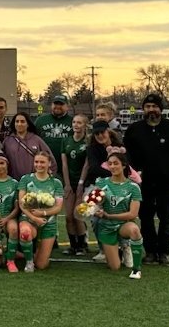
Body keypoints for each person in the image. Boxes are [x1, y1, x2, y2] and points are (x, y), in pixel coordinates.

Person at [124, 93, 169, 265]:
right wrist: (134, 171)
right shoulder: (135, 129)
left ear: (161, 109)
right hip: (142, 182)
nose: (151, 110)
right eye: (148, 107)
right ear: (143, 109)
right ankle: (151, 251)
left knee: (166, 217)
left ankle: (164, 251)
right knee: (145, 218)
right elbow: (127, 153)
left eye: (154, 107)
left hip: (165, 181)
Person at [79, 121, 126, 264]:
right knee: (95, 218)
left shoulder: (120, 147)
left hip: (118, 187)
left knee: (119, 216)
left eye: (102, 132)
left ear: (108, 131)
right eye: (97, 133)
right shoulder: (92, 149)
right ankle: (102, 249)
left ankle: (123, 248)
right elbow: (93, 168)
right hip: (95, 187)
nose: (100, 136)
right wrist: (114, 173)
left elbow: (126, 166)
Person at [94, 152, 147, 279]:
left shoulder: (133, 187)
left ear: (123, 165)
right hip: (106, 227)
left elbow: (133, 214)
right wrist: (95, 209)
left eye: (116, 163)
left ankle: (136, 269)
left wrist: (109, 216)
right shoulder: (101, 183)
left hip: (123, 224)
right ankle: (119, 248)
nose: (112, 166)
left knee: (134, 230)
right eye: (110, 164)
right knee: (115, 267)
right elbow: (91, 203)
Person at [17, 151, 64, 272]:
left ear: (49, 163)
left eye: (42, 162)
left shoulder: (56, 183)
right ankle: (29, 262)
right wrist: (34, 218)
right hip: (29, 219)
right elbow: (22, 204)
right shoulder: (26, 179)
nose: (39, 165)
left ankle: (33, 255)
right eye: (36, 162)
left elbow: (58, 207)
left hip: (48, 223)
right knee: (25, 233)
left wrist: (43, 214)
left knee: (42, 265)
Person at [60, 114, 90, 256]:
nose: (76, 125)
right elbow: (64, 164)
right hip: (69, 182)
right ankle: (73, 245)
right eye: (74, 122)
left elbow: (86, 165)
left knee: (77, 214)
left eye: (79, 122)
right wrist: (67, 184)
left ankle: (82, 245)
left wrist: (80, 184)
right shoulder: (66, 141)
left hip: (82, 183)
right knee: (68, 216)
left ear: (85, 125)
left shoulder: (88, 141)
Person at [2, 112, 52, 180]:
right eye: (17, 121)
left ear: (28, 124)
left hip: (34, 182)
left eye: (22, 121)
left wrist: (48, 178)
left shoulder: (36, 140)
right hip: (13, 182)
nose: (19, 124)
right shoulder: (8, 141)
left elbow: (50, 159)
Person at [35, 94, 74, 167]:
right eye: (56, 103)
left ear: (67, 107)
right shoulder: (41, 120)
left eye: (61, 104)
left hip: (66, 165)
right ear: (51, 105)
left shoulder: (73, 121)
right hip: (44, 164)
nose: (58, 106)